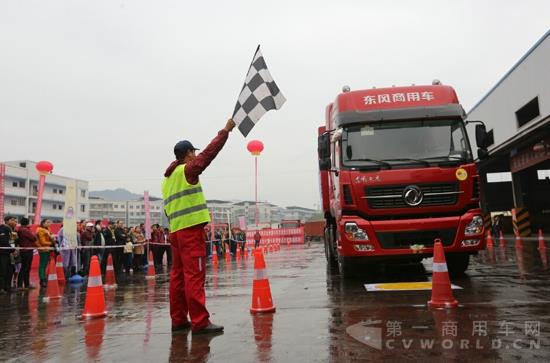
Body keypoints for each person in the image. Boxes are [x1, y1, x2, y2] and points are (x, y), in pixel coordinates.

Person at [162, 118, 235, 335]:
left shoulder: (167, 179)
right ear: (187, 154)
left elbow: (168, 209)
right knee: (195, 275)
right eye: (193, 152)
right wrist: (225, 131)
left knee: (178, 277)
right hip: (190, 231)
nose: (195, 155)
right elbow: (208, 155)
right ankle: (200, 321)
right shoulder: (187, 170)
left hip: (175, 231)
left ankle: (178, 320)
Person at [17, 217, 37, 289]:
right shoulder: (24, 230)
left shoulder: (21, 229)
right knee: (25, 268)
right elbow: (34, 238)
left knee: (26, 268)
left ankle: (26, 284)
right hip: (26, 250)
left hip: (26, 250)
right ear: (28, 223)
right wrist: (33, 234)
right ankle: (20, 285)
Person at [36, 219, 55, 288]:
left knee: (45, 265)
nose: (49, 223)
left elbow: (51, 237)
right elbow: (42, 242)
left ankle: (43, 279)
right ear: (43, 223)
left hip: (47, 249)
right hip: (43, 249)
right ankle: (42, 279)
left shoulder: (48, 229)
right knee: (42, 265)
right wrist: (51, 243)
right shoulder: (41, 230)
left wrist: (53, 239)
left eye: (50, 222)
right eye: (47, 222)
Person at [0, 216, 17, 293]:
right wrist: (13, 250)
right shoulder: (2, 228)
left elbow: (12, 242)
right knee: (3, 271)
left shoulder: (12, 230)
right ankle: (1, 288)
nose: (15, 222)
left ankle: (8, 287)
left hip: (10, 253)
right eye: (12, 220)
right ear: (6, 221)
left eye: (15, 221)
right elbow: (3, 242)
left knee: (11, 270)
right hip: (3, 253)